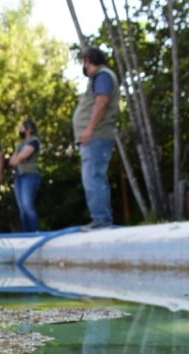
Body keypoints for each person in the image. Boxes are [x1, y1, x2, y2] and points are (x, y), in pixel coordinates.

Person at [72, 46, 120, 230]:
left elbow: (102, 102)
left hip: (97, 136)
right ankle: (101, 219)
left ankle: (101, 220)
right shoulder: (101, 77)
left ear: (88, 61)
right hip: (95, 136)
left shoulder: (102, 76)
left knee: (93, 177)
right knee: (94, 176)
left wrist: (89, 129)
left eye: (84, 62)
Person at [9, 119, 42, 231]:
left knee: (28, 205)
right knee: (22, 208)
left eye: (22, 128)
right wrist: (17, 158)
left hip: (30, 176)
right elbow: (12, 161)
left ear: (29, 129)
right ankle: (27, 233)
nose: (20, 130)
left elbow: (23, 156)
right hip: (18, 177)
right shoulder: (21, 144)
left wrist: (18, 158)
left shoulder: (34, 141)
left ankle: (35, 232)